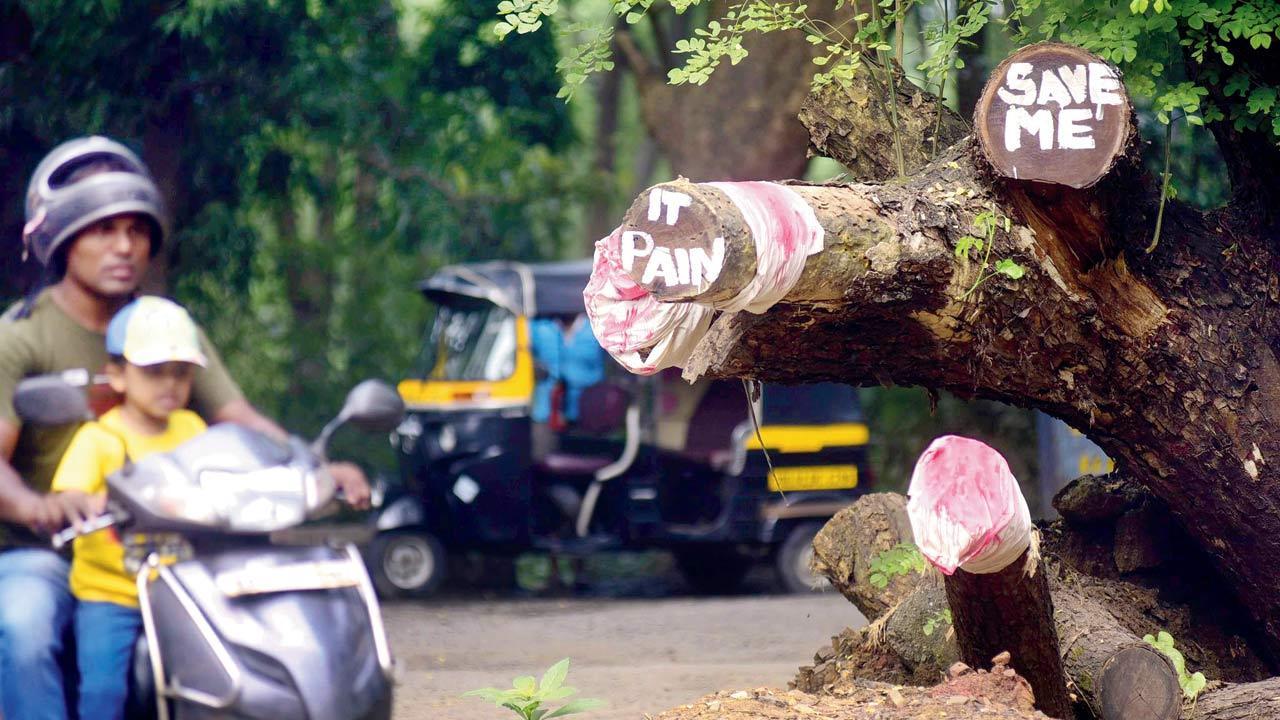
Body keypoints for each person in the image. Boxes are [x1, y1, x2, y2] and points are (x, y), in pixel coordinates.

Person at [0, 136, 370, 720]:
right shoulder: (20, 337)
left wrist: (316, 470)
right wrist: (38, 507)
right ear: (62, 240)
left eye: (137, 231)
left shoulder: (165, 330)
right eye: (104, 230)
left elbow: (238, 421)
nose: (125, 246)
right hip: (48, 548)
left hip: (168, 540)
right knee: (22, 629)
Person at [50, 296, 210, 720]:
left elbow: (217, 478)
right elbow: (67, 492)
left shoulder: (192, 429)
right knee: (103, 691)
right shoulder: (99, 438)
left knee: (209, 678)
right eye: (154, 372)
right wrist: (84, 501)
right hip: (111, 590)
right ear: (118, 376)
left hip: (183, 587)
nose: (170, 385)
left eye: (181, 373)